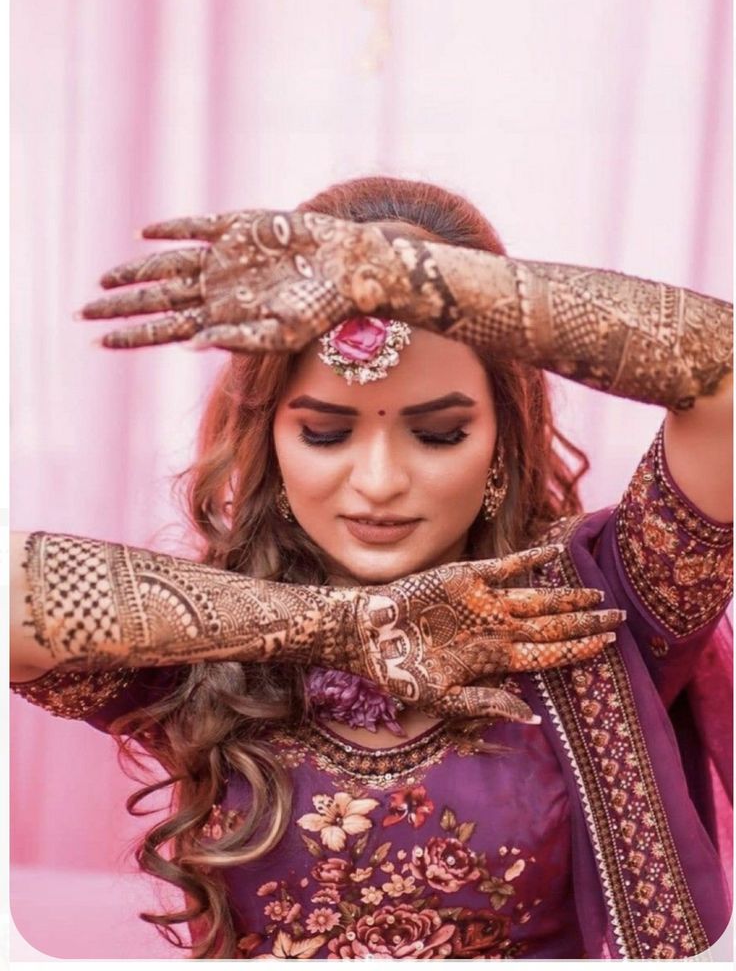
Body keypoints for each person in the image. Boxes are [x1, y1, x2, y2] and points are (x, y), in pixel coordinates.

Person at [10, 176, 732, 960]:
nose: (380, 481)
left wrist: (393, 277)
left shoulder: (601, 605)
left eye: (439, 435)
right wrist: (349, 627)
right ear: (271, 446)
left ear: (501, 444)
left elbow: (723, 375)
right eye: (326, 435)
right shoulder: (207, 650)